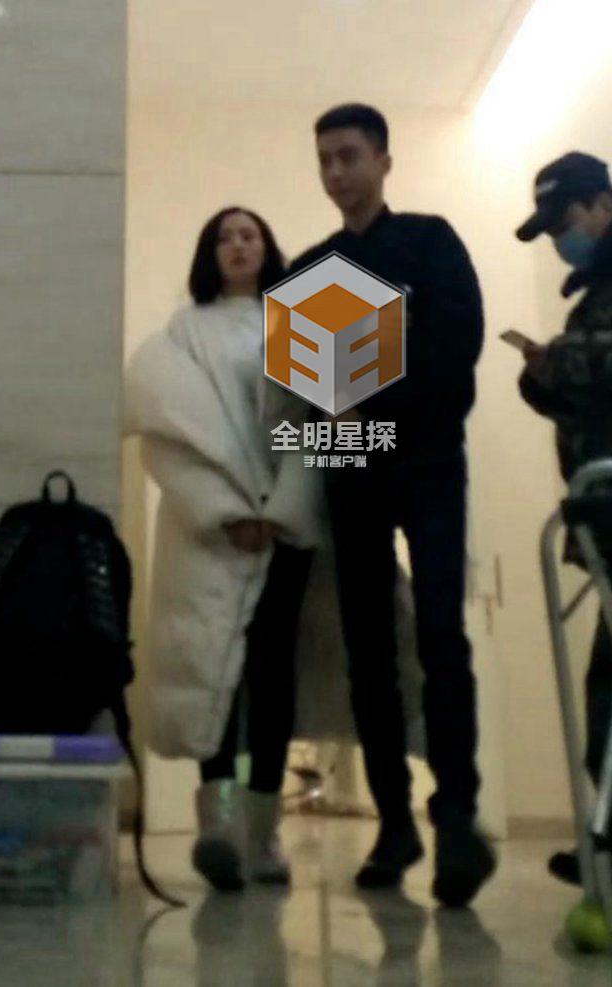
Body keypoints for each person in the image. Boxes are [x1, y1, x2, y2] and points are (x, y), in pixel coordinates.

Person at [289, 103, 496, 906]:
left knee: (440, 634)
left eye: (348, 155)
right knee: (367, 648)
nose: (336, 171)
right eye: (324, 159)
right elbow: (310, 390)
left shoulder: (430, 241)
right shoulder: (310, 267)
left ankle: (458, 816)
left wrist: (365, 388)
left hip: (431, 458)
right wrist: (347, 405)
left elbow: (456, 349)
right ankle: (395, 823)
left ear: (383, 159)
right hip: (352, 468)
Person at [125, 207, 321, 891]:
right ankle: (219, 827)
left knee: (272, 672)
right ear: (209, 253)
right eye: (223, 237)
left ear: (268, 247)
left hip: (285, 528)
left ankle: (263, 836)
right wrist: (226, 510)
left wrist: (281, 510)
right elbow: (168, 438)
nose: (237, 245)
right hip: (208, 531)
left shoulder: (302, 324)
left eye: (249, 234)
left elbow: (321, 427)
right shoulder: (179, 337)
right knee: (213, 669)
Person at [516, 151, 612, 886]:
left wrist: (560, 361)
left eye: (566, 221)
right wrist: (542, 378)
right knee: (605, 688)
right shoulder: (594, 293)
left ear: (604, 203)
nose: (560, 239)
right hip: (601, 513)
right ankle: (605, 843)